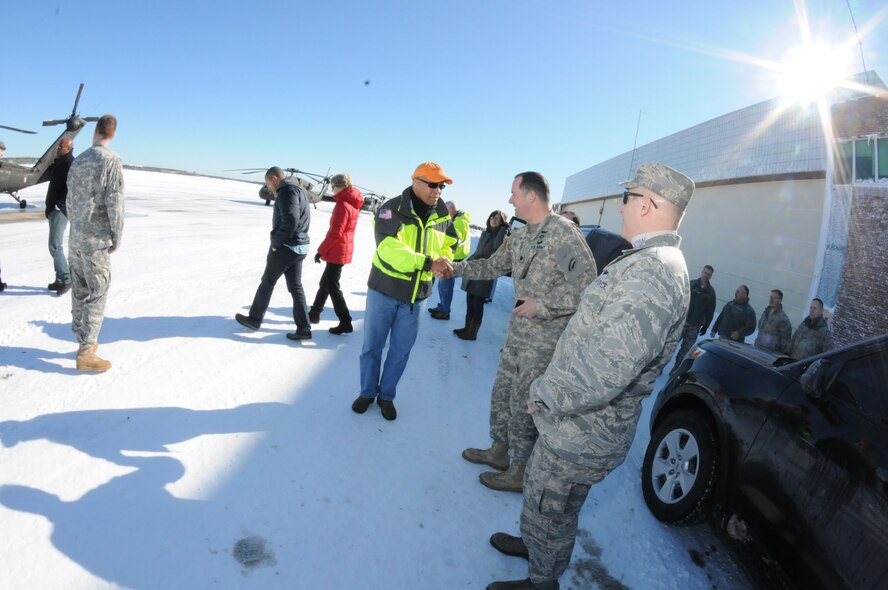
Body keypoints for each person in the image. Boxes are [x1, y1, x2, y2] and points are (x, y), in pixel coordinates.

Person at [486, 163, 694, 590]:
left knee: (548, 501)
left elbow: (608, 369)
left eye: (628, 198)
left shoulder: (653, 273)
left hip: (582, 428)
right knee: (554, 506)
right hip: (581, 423)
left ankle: (540, 580)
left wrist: (544, 394)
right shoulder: (650, 263)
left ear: (651, 203)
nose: (621, 209)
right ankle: (535, 547)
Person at [440, 172, 597, 493]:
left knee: (527, 405)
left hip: (546, 341)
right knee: (502, 394)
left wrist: (542, 304)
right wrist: (453, 267)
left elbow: (587, 288)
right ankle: (499, 451)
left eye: (514, 193)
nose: (509, 200)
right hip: (517, 336)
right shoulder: (523, 236)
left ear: (531, 197)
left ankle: (520, 470)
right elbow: (489, 266)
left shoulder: (563, 235)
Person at [352, 162, 459, 421]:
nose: (438, 190)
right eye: (433, 184)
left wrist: (444, 262)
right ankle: (367, 392)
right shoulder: (391, 209)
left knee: (401, 352)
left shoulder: (443, 215)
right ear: (416, 182)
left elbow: (451, 244)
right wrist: (426, 263)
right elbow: (388, 249)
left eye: (441, 186)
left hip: (417, 298)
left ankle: (386, 396)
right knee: (372, 348)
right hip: (384, 291)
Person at [66, 115, 125, 372]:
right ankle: (87, 351)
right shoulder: (110, 160)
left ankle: (81, 334)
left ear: (95, 133)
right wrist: (116, 235)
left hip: (76, 236)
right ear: (112, 134)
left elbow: (69, 199)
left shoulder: (79, 160)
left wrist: (76, 225)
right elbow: (115, 202)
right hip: (96, 240)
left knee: (79, 289)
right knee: (98, 291)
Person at [235, 167, 312, 340]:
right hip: (299, 246)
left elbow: (291, 220)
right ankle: (304, 328)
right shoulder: (298, 189)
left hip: (287, 246)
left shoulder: (286, 191)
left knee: (267, 282)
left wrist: (276, 243)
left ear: (275, 178)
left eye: (268, 182)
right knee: (295, 287)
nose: (268, 187)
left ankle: (254, 319)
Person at [309, 173, 364, 335]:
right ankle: (314, 313)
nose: (332, 190)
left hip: (337, 250)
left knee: (333, 287)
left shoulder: (343, 205)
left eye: (333, 186)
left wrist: (320, 251)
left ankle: (345, 321)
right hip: (342, 249)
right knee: (325, 283)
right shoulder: (352, 203)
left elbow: (335, 233)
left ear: (341, 186)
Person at [453, 210, 509, 341]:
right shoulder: (485, 233)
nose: (494, 220)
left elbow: (495, 247)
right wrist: (465, 266)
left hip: (485, 273)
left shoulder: (501, 236)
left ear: (502, 222)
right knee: (470, 301)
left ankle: (473, 333)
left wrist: (504, 230)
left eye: (497, 219)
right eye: (492, 217)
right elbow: (478, 252)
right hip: (474, 270)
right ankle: (467, 328)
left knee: (478, 303)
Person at [429, 201, 471, 320]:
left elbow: (450, 239)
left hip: (452, 258)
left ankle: (445, 311)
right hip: (451, 257)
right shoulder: (459, 220)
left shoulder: (459, 222)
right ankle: (442, 306)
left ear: (452, 210)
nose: (446, 215)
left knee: (446, 286)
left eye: (447, 212)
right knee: (443, 285)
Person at [672, 265, 716, 372]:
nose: (706, 275)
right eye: (705, 273)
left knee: (685, 350)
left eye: (709, 274)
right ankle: (660, 367)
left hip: (695, 326)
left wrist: (706, 326)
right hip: (683, 321)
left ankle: (675, 369)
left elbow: (710, 311)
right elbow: (681, 300)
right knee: (671, 346)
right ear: (702, 272)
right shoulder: (691, 284)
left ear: (711, 276)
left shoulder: (710, 293)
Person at [45, 137, 75, 296]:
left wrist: (58, 205)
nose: (58, 149)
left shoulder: (71, 164)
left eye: (60, 147)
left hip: (60, 210)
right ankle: (60, 279)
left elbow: (71, 189)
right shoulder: (60, 162)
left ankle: (66, 278)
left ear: (68, 148)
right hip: (53, 209)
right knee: (54, 245)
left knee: (55, 246)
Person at [754, 289, 792, 354]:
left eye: (773, 298)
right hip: (758, 349)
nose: (771, 300)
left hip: (770, 354)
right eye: (770, 297)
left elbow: (785, 342)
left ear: (780, 300)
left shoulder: (783, 319)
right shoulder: (765, 313)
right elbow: (760, 330)